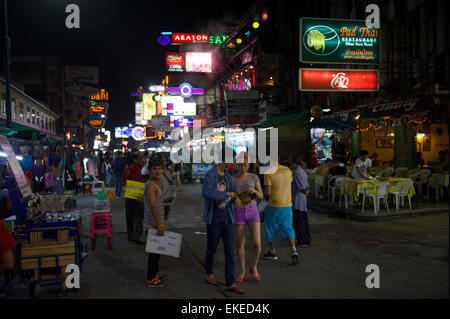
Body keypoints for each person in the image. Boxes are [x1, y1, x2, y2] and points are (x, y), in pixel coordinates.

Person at [201, 146, 245, 294]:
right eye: (230, 158)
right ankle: (209, 273)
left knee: (230, 251)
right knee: (212, 248)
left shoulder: (228, 177)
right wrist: (226, 193)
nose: (232, 162)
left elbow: (232, 194)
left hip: (228, 218)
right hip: (214, 218)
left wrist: (236, 197)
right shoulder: (210, 175)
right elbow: (206, 193)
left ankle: (230, 282)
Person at [232, 152, 264, 282]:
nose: (242, 168)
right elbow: (229, 195)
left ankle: (254, 266)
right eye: (240, 165)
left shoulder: (254, 177)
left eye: (244, 165)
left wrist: (255, 192)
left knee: (257, 243)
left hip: (252, 211)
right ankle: (242, 271)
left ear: (248, 164)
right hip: (239, 211)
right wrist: (235, 195)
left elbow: (261, 196)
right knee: (240, 243)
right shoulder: (233, 179)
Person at [262, 157, 300, 265]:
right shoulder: (288, 171)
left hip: (274, 205)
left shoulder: (269, 172)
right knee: (288, 228)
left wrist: (263, 198)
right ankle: (294, 251)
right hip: (287, 205)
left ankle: (272, 252)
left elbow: (268, 192)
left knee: (271, 227)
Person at [143, 156, 168, 288]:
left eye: (160, 168)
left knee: (157, 251)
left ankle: (156, 273)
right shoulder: (151, 186)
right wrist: (159, 224)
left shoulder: (155, 183)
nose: (158, 171)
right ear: (149, 170)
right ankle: (151, 278)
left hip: (156, 222)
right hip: (152, 224)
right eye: (154, 169)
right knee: (154, 253)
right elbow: (152, 206)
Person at [124, 153, 146, 243]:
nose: (143, 162)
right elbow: (138, 181)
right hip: (135, 191)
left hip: (129, 190)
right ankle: (137, 236)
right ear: (136, 160)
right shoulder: (136, 168)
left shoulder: (128, 168)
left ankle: (130, 235)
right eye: (142, 160)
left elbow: (125, 179)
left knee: (130, 215)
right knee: (139, 216)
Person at [291, 156, 312, 247]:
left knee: (299, 221)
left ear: (295, 163)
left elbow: (302, 186)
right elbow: (306, 185)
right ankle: (307, 239)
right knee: (304, 220)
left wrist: (305, 191)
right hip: (302, 198)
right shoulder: (302, 171)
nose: (291, 165)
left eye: (292, 163)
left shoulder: (297, 172)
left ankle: (302, 240)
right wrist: (306, 192)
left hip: (298, 199)